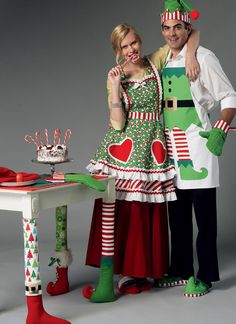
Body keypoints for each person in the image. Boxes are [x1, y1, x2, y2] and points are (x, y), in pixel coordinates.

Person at [84, 22, 199, 303]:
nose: (132, 49)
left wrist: (192, 56)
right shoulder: (116, 76)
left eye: (134, 43)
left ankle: (146, 268)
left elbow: (190, 34)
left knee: (149, 207)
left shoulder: (154, 60)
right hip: (125, 147)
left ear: (140, 41)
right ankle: (124, 269)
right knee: (126, 208)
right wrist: (114, 86)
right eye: (125, 46)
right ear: (117, 50)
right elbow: (118, 123)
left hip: (153, 145)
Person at [154, 0, 236, 297]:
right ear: (162, 29)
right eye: (167, 28)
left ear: (187, 27)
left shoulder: (204, 57)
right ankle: (180, 270)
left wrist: (221, 130)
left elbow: (229, 97)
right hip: (172, 148)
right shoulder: (164, 59)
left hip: (198, 145)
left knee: (205, 217)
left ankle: (206, 275)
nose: (172, 33)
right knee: (176, 215)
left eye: (179, 27)